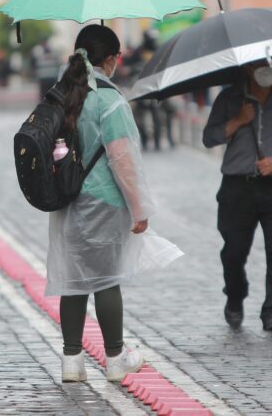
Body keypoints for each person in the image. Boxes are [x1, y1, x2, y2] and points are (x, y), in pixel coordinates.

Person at [47, 25, 182, 383]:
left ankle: (72, 361)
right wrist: (140, 209)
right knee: (106, 279)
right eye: (117, 57)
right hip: (104, 200)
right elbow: (122, 159)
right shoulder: (109, 99)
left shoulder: (61, 95)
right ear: (110, 59)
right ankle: (115, 356)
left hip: (68, 199)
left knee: (73, 280)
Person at [203, 59, 272, 331]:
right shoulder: (229, 98)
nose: (266, 69)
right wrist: (238, 120)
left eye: (269, 63)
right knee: (233, 252)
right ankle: (235, 296)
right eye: (258, 64)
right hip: (237, 188)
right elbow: (209, 137)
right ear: (246, 69)